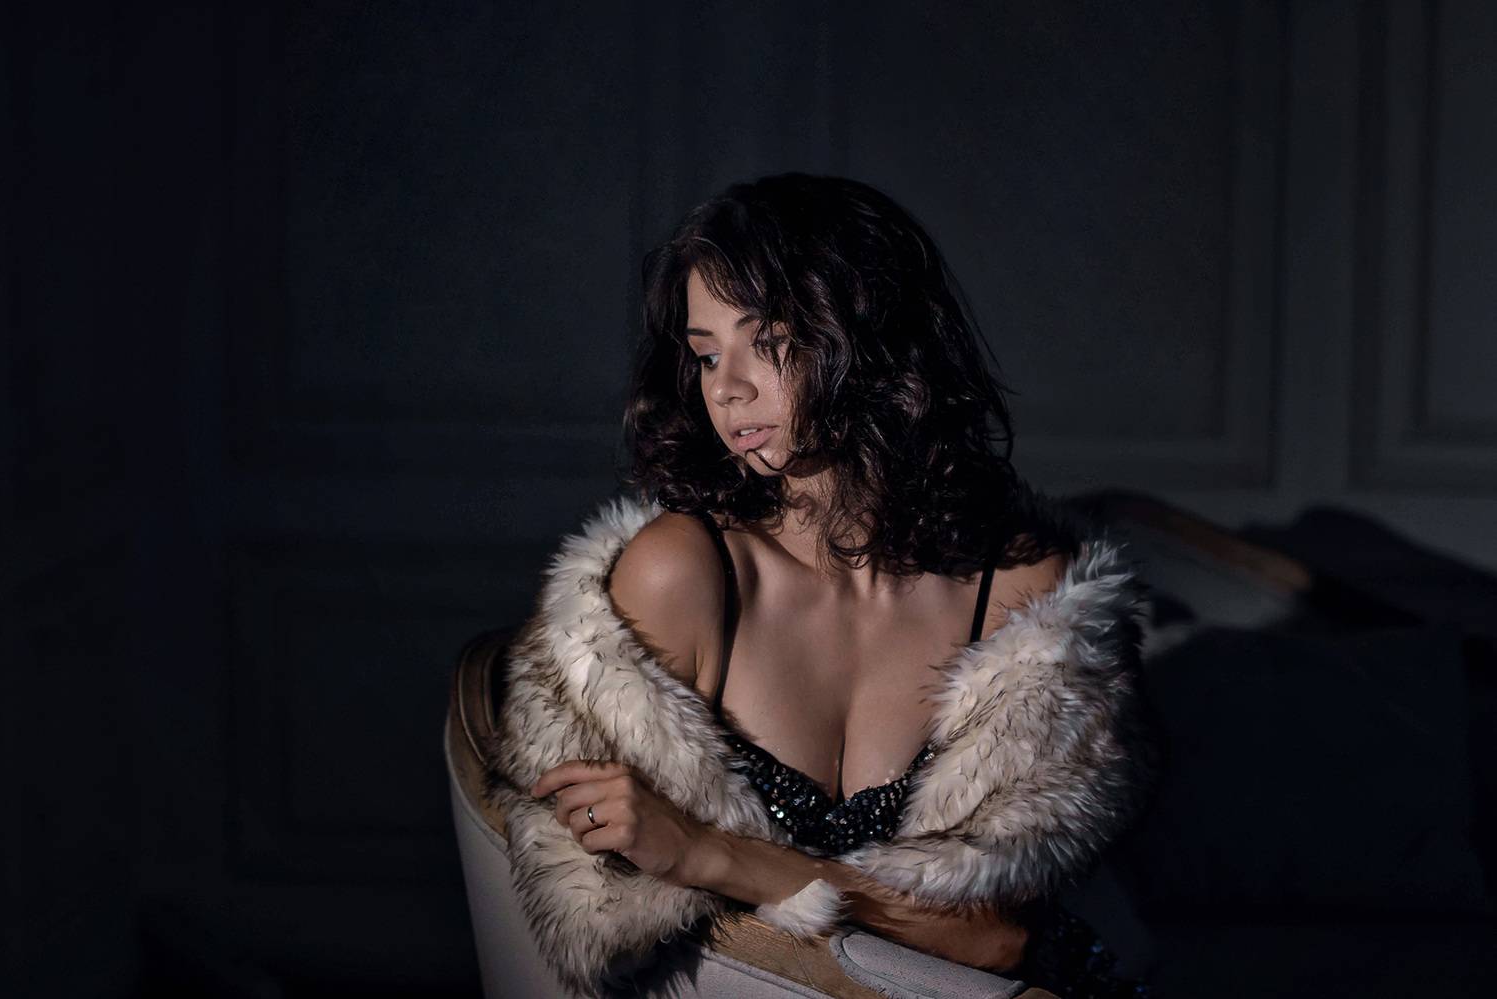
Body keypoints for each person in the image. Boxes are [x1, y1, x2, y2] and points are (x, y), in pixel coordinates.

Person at [491, 173, 1155, 997]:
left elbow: (994, 938)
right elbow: (591, 907)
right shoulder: (685, 573)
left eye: (767, 341)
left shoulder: (1023, 593)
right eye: (706, 354)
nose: (725, 388)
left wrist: (711, 853)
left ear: (870, 337)